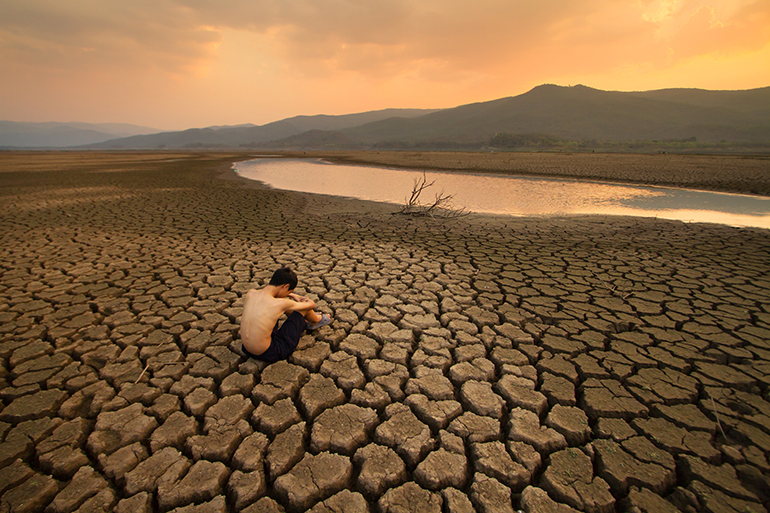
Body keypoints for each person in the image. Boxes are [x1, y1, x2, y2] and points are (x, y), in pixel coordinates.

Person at [240, 267, 331, 362]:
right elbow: (311, 305)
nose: (288, 294)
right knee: (303, 309)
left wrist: (291, 294)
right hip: (270, 352)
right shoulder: (280, 303)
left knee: (282, 308)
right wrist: (301, 298)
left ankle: (308, 319)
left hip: (246, 349)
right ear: (286, 286)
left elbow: (274, 295)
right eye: (289, 291)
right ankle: (317, 320)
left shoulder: (251, 293)